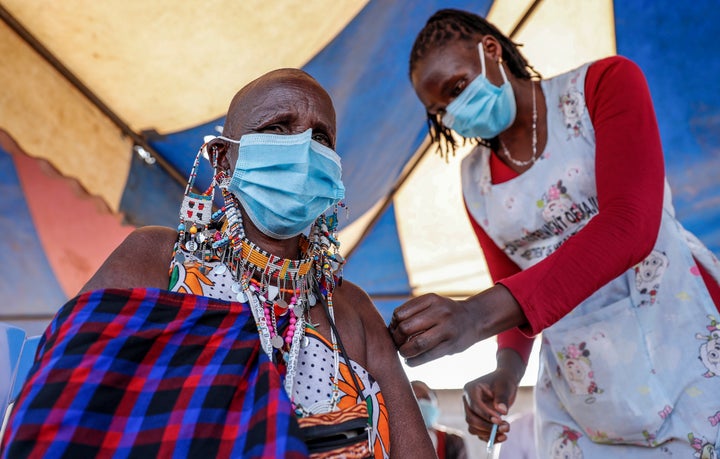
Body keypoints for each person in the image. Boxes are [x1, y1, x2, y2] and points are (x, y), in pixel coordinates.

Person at [1, 69, 435, 458]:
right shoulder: (158, 259)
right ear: (223, 161)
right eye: (277, 128)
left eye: (320, 137)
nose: (302, 148)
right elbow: (60, 402)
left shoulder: (352, 310)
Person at [389, 8, 720, 458]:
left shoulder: (602, 86)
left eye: (458, 88)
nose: (453, 114)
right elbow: (511, 287)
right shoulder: (475, 182)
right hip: (583, 385)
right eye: (439, 111)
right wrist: (504, 376)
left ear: (491, 50)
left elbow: (630, 224)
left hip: (677, 336)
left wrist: (474, 315)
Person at [411, 381, 468, 459]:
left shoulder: (454, 441)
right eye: (415, 399)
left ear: (436, 402)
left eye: (425, 397)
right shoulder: (394, 441)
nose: (421, 402)